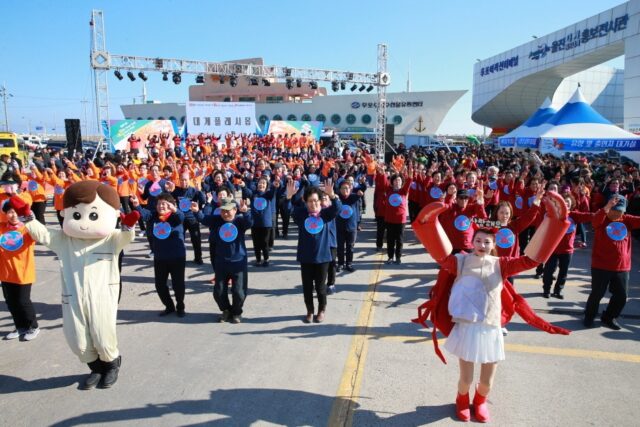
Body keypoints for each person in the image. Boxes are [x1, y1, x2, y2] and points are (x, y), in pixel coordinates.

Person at [412, 192, 571, 423]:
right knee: (465, 380)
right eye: (478, 240)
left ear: (494, 244)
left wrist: (554, 223)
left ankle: (480, 401)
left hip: (491, 328)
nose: (482, 245)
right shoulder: (461, 261)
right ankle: (461, 400)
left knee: (486, 382)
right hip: (466, 328)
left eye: (487, 242)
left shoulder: (502, 264)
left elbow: (531, 260)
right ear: (472, 241)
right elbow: (442, 258)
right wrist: (428, 222)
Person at [15, 181, 139, 390]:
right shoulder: (65, 240)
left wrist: (127, 227)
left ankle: (111, 365)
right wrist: (28, 218)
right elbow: (44, 235)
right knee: (77, 338)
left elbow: (125, 237)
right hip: (72, 296)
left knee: (102, 334)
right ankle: (95, 368)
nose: (83, 223)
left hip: (103, 296)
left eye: (92, 215)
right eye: (77, 215)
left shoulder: (111, 239)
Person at [287, 179, 341, 323]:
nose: (313, 204)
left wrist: (333, 195)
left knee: (320, 287)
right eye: (310, 201)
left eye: (316, 201)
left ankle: (321, 310)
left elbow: (337, 208)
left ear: (320, 201)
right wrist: (288, 197)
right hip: (306, 257)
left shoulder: (325, 215)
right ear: (306, 202)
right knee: (307, 287)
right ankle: (310, 311)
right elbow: (288, 210)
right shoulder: (302, 215)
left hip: (323, 257)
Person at [583, 195, 640, 329]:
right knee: (597, 294)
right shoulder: (602, 219)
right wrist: (606, 207)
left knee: (621, 296)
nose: (616, 213)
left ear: (624, 211)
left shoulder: (627, 220)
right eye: (613, 210)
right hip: (601, 265)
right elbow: (594, 221)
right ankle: (589, 316)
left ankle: (609, 317)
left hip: (621, 267)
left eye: (619, 210)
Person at [193, 197, 252, 323]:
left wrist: (246, 212)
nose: (225, 213)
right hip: (221, 261)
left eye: (228, 210)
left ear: (235, 210)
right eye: (223, 211)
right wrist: (197, 211)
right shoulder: (217, 220)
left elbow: (249, 223)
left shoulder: (240, 221)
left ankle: (236, 312)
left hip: (238, 262)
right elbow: (203, 218)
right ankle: (226, 310)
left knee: (239, 291)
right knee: (218, 291)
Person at [131, 192, 187, 317]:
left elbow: (181, 217)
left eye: (164, 204)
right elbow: (144, 215)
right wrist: (137, 205)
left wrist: (175, 210)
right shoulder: (154, 216)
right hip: (160, 257)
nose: (161, 206)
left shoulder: (175, 217)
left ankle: (180, 306)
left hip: (176, 256)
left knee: (178, 284)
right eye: (159, 204)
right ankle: (169, 306)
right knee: (160, 285)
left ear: (171, 205)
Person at [0, 199, 38, 341]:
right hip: (5, 273)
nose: (13, 215)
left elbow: (39, 234)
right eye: (10, 212)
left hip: (23, 272)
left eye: (16, 212)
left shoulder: (27, 229)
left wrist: (30, 219)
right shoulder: (2, 228)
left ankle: (33, 326)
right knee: (11, 302)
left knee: (23, 301)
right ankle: (20, 326)